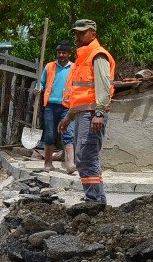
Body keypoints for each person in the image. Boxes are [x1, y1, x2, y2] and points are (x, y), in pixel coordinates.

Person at [59, 19, 116, 205]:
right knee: (83, 157)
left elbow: (103, 88)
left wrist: (99, 113)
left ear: (93, 33)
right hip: (83, 115)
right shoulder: (81, 58)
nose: (77, 36)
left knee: (87, 156)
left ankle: (94, 201)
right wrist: (68, 117)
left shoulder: (98, 55)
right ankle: (96, 201)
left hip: (93, 115)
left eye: (81, 33)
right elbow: (79, 95)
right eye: (76, 33)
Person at [34, 41, 75, 173]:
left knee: (68, 134)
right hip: (51, 106)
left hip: (67, 106)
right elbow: (41, 82)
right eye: (59, 52)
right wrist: (38, 88)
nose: (61, 55)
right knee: (50, 134)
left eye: (64, 52)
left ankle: (70, 165)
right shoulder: (50, 66)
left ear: (69, 54)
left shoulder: (74, 68)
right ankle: (48, 163)